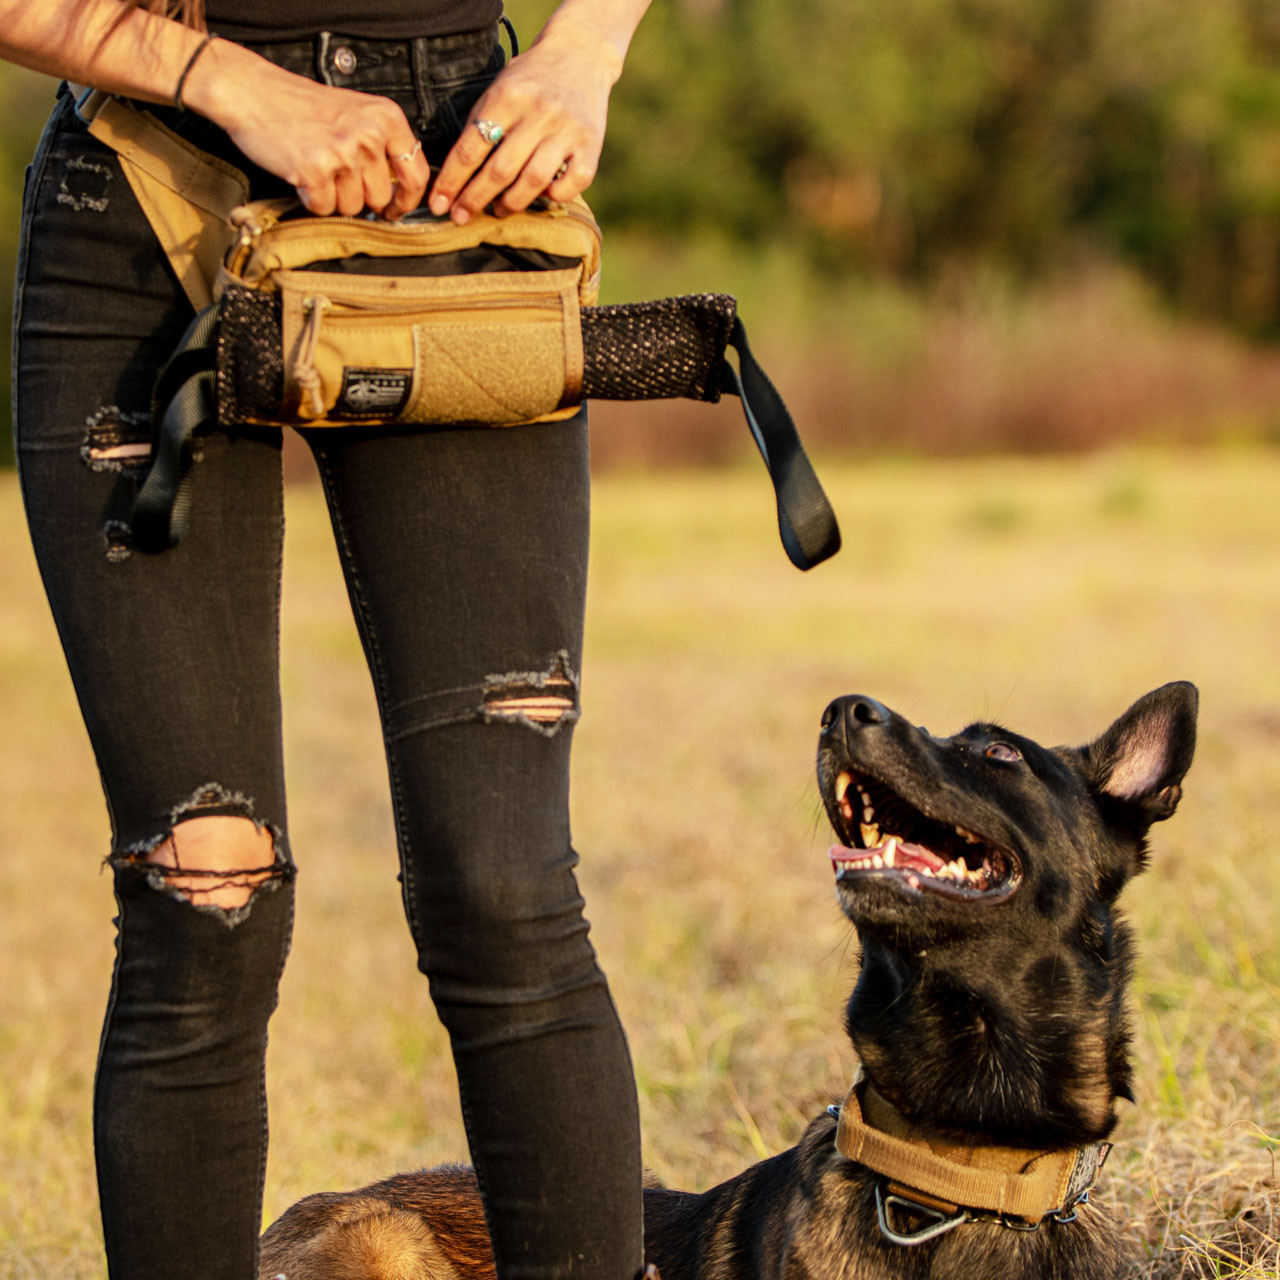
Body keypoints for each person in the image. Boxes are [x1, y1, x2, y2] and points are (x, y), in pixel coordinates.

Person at [1, 0, 650, 1276]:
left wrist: (584, 54)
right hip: (146, 181)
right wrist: (234, 84)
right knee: (205, 891)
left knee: (503, 889)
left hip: (460, 178)